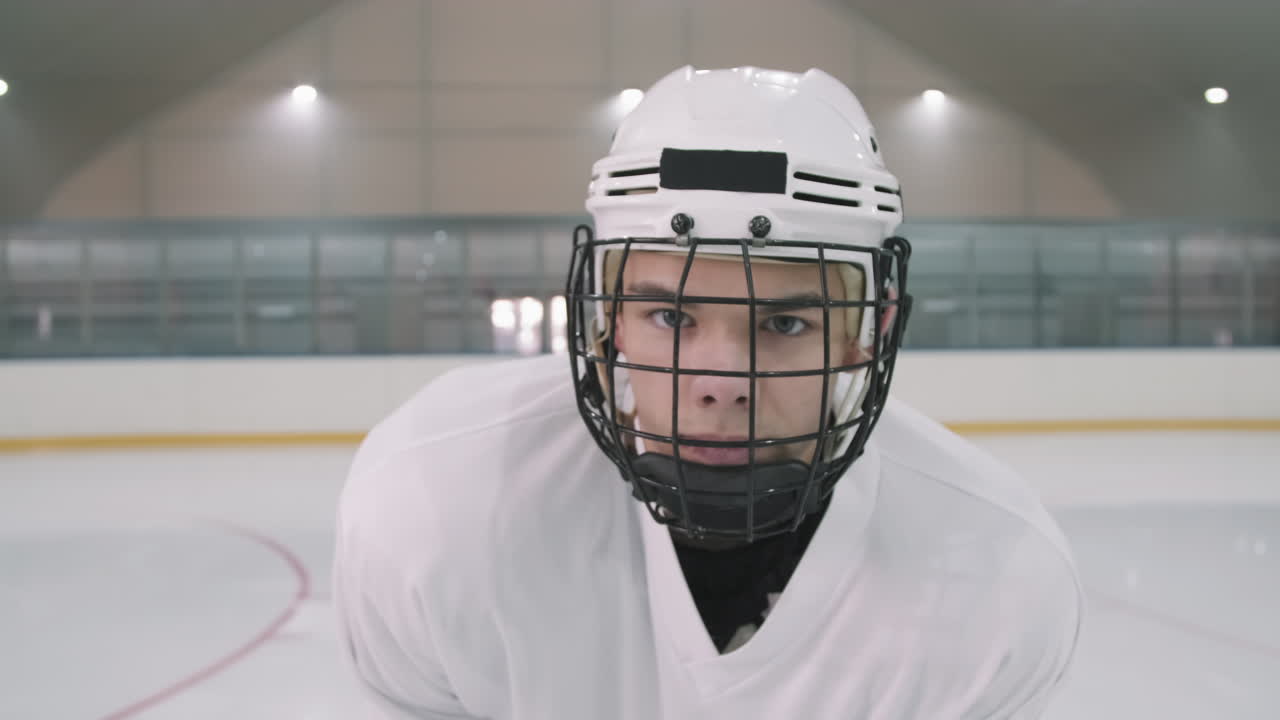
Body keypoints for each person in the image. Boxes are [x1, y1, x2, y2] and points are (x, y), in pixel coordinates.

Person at [333, 65, 1083, 719]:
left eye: (786, 321)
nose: (721, 385)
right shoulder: (434, 511)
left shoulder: (999, 576)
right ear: (612, 321)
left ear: (870, 329)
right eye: (670, 315)